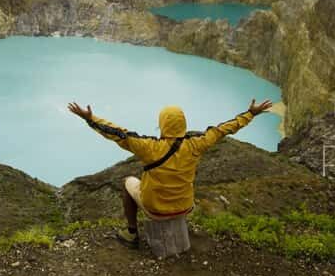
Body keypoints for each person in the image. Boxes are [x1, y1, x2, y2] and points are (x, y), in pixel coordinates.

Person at [67, 97, 273, 247]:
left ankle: (131, 234)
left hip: (156, 209)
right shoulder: (196, 144)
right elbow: (223, 129)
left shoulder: (150, 147)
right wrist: (250, 114)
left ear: (162, 124)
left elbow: (118, 133)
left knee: (127, 182)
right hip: (185, 207)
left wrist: (90, 118)